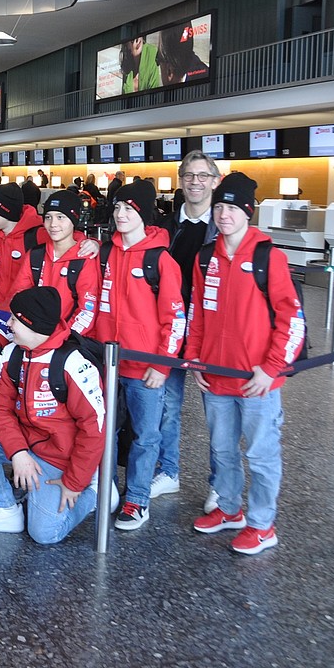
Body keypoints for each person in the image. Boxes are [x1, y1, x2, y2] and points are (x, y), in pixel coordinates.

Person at [187, 173, 304, 555]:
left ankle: (262, 524)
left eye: (232, 208)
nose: (224, 214)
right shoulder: (206, 257)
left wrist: (271, 368)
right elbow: (197, 315)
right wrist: (196, 360)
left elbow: (292, 319)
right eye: (219, 206)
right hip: (217, 377)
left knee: (261, 453)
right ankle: (229, 509)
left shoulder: (270, 257)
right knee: (222, 450)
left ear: (248, 212)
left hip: (257, 380)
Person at [0, 287, 106, 544]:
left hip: (60, 458)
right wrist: (18, 452)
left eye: (15, 320)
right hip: (24, 443)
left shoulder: (74, 363)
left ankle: (96, 491)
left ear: (33, 325)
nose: (9, 324)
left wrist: (74, 482)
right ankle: (6, 509)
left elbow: (94, 430)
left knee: (44, 534)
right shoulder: (12, 353)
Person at [92, 179, 185, 532]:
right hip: (106, 362)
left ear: (144, 215)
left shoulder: (160, 260)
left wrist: (163, 364)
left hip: (144, 367)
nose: (120, 214)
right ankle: (108, 491)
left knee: (145, 436)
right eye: (117, 208)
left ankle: (137, 499)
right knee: (104, 432)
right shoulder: (105, 253)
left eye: (128, 209)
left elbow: (175, 317)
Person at [151, 150, 221, 507]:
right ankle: (169, 471)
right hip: (169, 330)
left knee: (218, 412)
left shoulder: (225, 226)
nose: (195, 182)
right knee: (167, 405)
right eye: (189, 176)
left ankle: (220, 485)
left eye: (202, 176)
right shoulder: (163, 227)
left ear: (215, 181)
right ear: (181, 181)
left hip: (211, 333)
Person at [0, 182, 47, 383]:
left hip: (28, 325)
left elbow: (69, 239)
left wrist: (90, 243)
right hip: (0, 323)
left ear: (6, 212)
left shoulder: (37, 236)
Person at [13, 190, 100, 334]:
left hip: (70, 342)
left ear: (74, 220)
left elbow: (87, 310)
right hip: (36, 338)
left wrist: (61, 337)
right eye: (48, 217)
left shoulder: (84, 258)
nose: (53, 224)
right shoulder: (35, 255)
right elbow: (19, 296)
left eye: (60, 217)